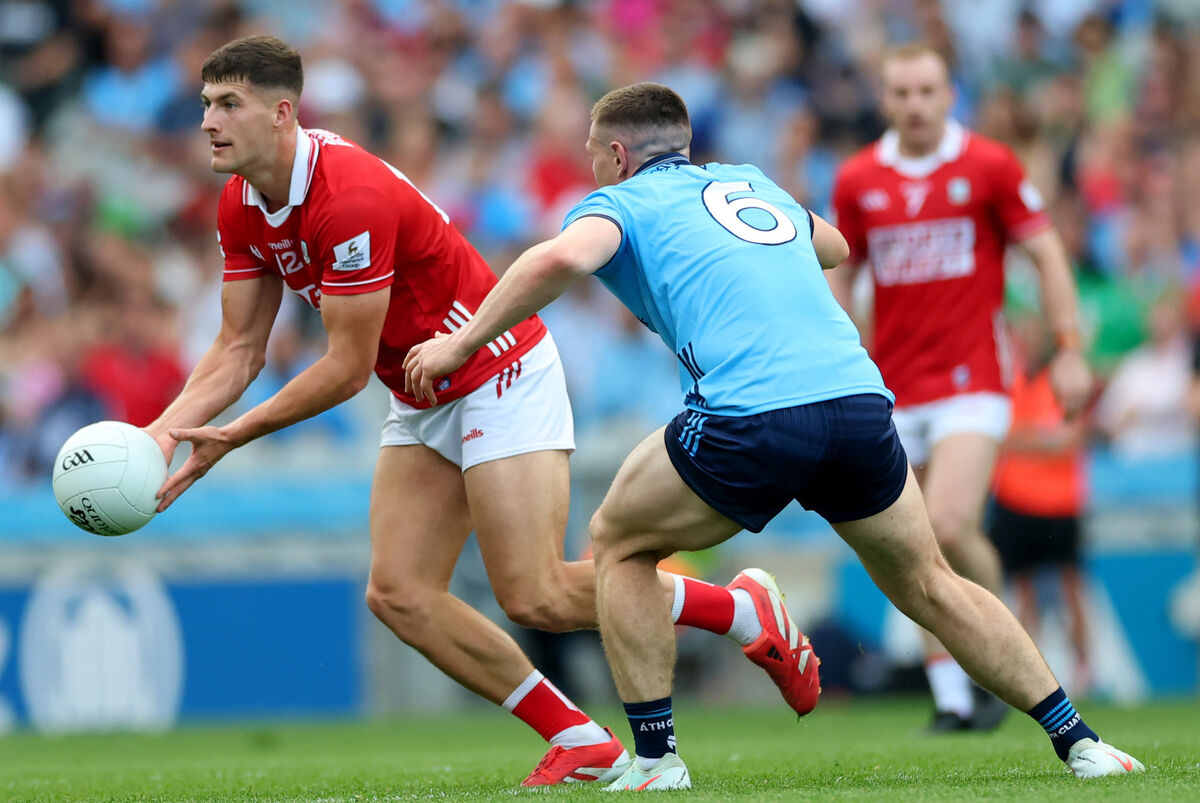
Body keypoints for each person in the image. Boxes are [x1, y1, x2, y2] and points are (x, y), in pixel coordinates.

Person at [403, 81, 1144, 790]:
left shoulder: (619, 202)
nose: (596, 167)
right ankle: (1080, 739)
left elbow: (562, 256)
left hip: (752, 413)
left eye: (597, 155)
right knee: (930, 582)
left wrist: (459, 344)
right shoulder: (748, 181)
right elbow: (834, 246)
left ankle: (658, 758)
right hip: (856, 401)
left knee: (620, 541)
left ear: (619, 157)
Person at [143, 36, 817, 788]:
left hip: (499, 367)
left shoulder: (348, 195)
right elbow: (238, 348)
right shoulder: (241, 203)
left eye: (227, 103)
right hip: (423, 386)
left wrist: (234, 436)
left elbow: (342, 370)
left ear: (282, 113)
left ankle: (738, 609)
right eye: (205, 103)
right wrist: (158, 435)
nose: (207, 120)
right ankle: (581, 738)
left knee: (535, 592)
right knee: (399, 593)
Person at [827, 43, 1093, 731]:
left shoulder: (989, 165)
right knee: (905, 544)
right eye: (901, 93)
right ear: (885, 101)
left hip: (974, 376)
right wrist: (836, 352)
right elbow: (840, 272)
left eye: (926, 91)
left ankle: (999, 659)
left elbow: (1046, 251)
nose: (914, 105)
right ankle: (952, 696)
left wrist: (1067, 348)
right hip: (892, 383)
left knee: (946, 524)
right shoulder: (858, 179)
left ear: (950, 96)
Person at [989, 314, 1091, 692]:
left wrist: (1020, 439)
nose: (1026, 344)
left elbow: (1068, 440)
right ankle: (1030, 678)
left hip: (1060, 504)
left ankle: (1084, 669)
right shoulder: (1010, 384)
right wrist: (1038, 437)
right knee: (1023, 592)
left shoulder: (1064, 384)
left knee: (1071, 589)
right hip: (1015, 502)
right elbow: (1002, 437)